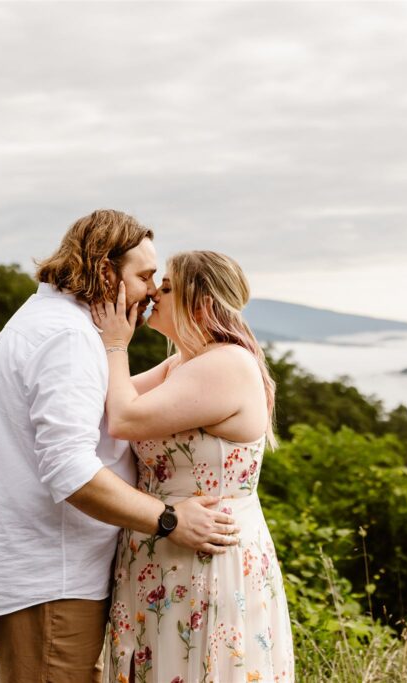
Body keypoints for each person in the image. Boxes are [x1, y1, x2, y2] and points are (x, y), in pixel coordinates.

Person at [0, 211, 240, 683]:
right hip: (53, 577)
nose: (153, 290)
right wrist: (169, 519)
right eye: (145, 276)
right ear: (105, 271)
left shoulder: (52, 322)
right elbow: (70, 471)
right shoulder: (67, 338)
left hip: (51, 569)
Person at [92, 250, 295, 683]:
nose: (153, 295)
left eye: (167, 287)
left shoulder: (226, 364)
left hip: (205, 557)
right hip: (163, 546)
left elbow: (124, 418)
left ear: (199, 303)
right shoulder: (184, 363)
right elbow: (107, 401)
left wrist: (114, 345)